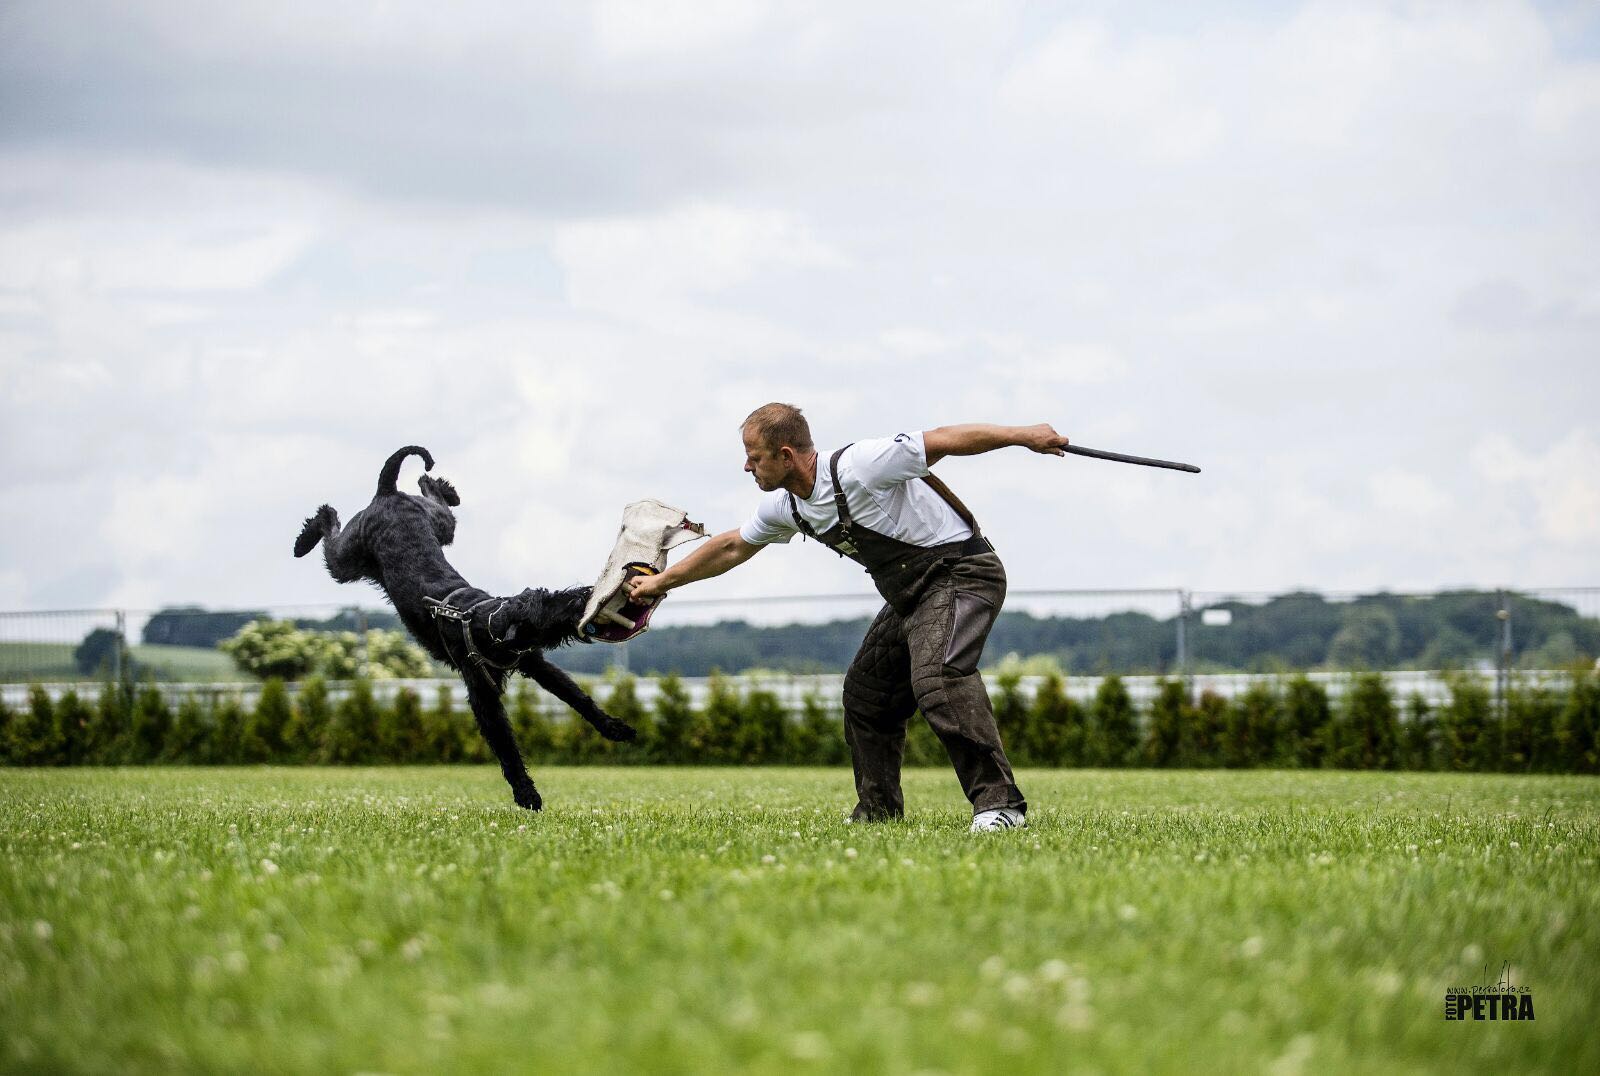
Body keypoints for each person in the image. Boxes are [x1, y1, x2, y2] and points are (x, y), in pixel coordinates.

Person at [626, 403, 1069, 832]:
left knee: (939, 678)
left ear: (785, 455)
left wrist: (1025, 436)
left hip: (961, 572)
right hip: (910, 595)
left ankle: (1000, 805)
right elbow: (731, 547)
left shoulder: (862, 465)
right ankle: (877, 811)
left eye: (754, 457)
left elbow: (945, 439)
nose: (747, 467)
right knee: (867, 695)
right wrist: (659, 583)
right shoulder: (788, 507)